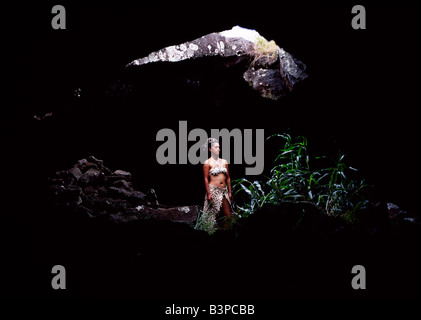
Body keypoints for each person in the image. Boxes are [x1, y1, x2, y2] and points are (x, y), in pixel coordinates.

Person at [200, 138, 232, 232]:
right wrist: (209, 193)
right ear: (210, 149)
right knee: (211, 215)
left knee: (228, 216)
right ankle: (209, 234)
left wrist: (230, 192)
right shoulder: (207, 163)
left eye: (219, 147)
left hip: (224, 190)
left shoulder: (224, 162)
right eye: (216, 147)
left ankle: (228, 234)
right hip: (213, 190)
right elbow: (206, 179)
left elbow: (228, 177)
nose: (218, 149)